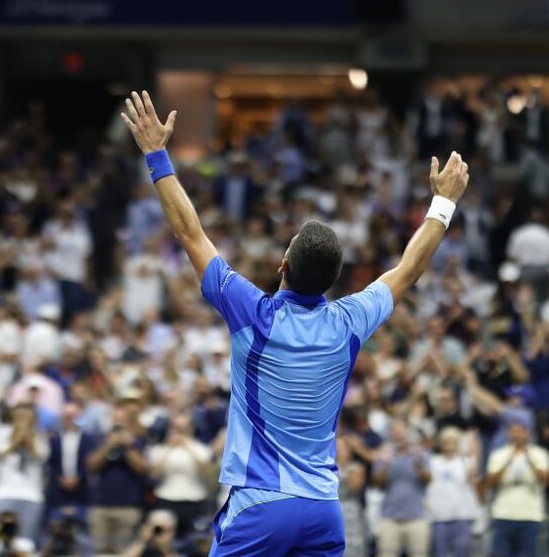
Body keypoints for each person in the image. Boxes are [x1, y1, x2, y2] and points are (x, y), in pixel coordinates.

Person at [119, 90, 470, 556]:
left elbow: (190, 232)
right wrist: (443, 203)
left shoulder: (252, 312)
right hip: (324, 510)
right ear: (334, 282)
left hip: (262, 505)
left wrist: (157, 155)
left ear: (283, 264)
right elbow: (408, 269)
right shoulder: (351, 320)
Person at [86, 406, 149, 554]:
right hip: (101, 507)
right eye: (115, 420)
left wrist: (128, 446)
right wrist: (108, 445)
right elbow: (91, 466)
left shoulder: (137, 443)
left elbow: (141, 468)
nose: (117, 424)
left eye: (121, 421)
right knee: (100, 551)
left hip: (128, 507)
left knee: (125, 552)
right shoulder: (100, 441)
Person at [485, 417, 549, 557]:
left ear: (527, 433)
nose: (517, 435)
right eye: (513, 432)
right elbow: (490, 483)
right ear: (508, 434)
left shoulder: (540, 454)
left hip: (530, 515)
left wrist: (529, 459)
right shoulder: (499, 455)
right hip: (503, 514)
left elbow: (545, 481)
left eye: (520, 431)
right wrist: (508, 460)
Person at [0, 405, 48, 544]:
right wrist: (17, 437)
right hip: (4, 494)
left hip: (31, 496)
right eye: (20, 417)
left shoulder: (40, 436)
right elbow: (1, 454)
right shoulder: (1, 434)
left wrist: (27, 436)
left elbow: (40, 455)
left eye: (26, 418)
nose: (22, 421)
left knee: (25, 543)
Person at [373, 419, 431, 557]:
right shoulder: (384, 454)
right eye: (395, 431)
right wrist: (386, 464)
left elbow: (428, 481)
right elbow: (377, 484)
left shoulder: (420, 454)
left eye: (401, 431)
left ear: (408, 432)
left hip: (416, 516)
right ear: (390, 434)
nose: (398, 435)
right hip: (390, 516)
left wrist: (418, 462)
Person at [148, 413, 212, 537]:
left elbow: (206, 472)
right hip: (167, 499)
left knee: (195, 540)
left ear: (191, 428)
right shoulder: (159, 449)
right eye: (177, 428)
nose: (180, 431)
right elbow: (155, 474)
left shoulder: (201, 449)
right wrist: (169, 447)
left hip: (195, 500)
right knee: (163, 538)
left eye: (184, 428)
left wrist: (188, 445)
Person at [426, 426, 478, 557]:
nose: (449, 445)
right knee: (440, 552)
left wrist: (473, 454)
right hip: (438, 516)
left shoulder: (465, 462)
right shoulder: (432, 461)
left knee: (462, 551)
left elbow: (472, 482)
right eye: (446, 442)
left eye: (453, 441)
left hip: (461, 515)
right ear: (440, 444)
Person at [45, 402, 97, 517]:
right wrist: (59, 478)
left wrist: (79, 478)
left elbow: (91, 463)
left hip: (82, 492)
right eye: (67, 417)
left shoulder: (89, 440)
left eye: (73, 416)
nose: (70, 420)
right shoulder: (53, 439)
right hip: (58, 492)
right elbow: (50, 463)